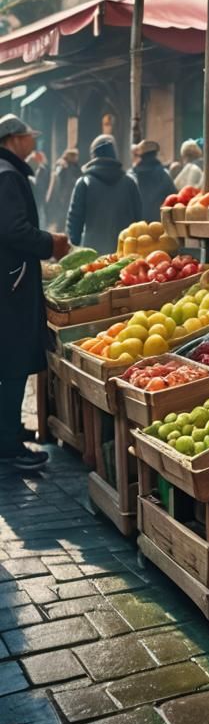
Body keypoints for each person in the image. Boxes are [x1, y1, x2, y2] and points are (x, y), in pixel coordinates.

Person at [0, 115, 69, 470]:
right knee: (11, 362)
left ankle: (6, 430)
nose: (33, 143)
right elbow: (13, 229)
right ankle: (8, 446)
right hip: (9, 283)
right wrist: (50, 243)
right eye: (29, 137)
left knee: (8, 361)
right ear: (14, 139)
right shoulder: (7, 174)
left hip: (9, 280)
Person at [66, 135, 142, 255]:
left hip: (91, 255)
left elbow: (75, 222)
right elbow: (139, 220)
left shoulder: (84, 183)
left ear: (93, 156)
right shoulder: (129, 182)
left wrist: (73, 250)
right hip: (124, 254)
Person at [129, 139, 176, 222]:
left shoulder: (132, 175)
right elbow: (173, 197)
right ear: (155, 154)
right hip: (158, 225)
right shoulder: (164, 174)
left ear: (141, 155)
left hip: (136, 226)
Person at [47, 148, 80, 234]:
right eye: (75, 156)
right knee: (63, 218)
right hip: (66, 196)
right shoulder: (66, 167)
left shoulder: (67, 167)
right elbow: (66, 183)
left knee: (63, 218)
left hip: (64, 196)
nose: (77, 158)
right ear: (71, 157)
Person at [28, 150, 49, 229]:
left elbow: (42, 184)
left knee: (41, 216)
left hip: (39, 196)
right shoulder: (37, 168)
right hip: (37, 196)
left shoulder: (43, 169)